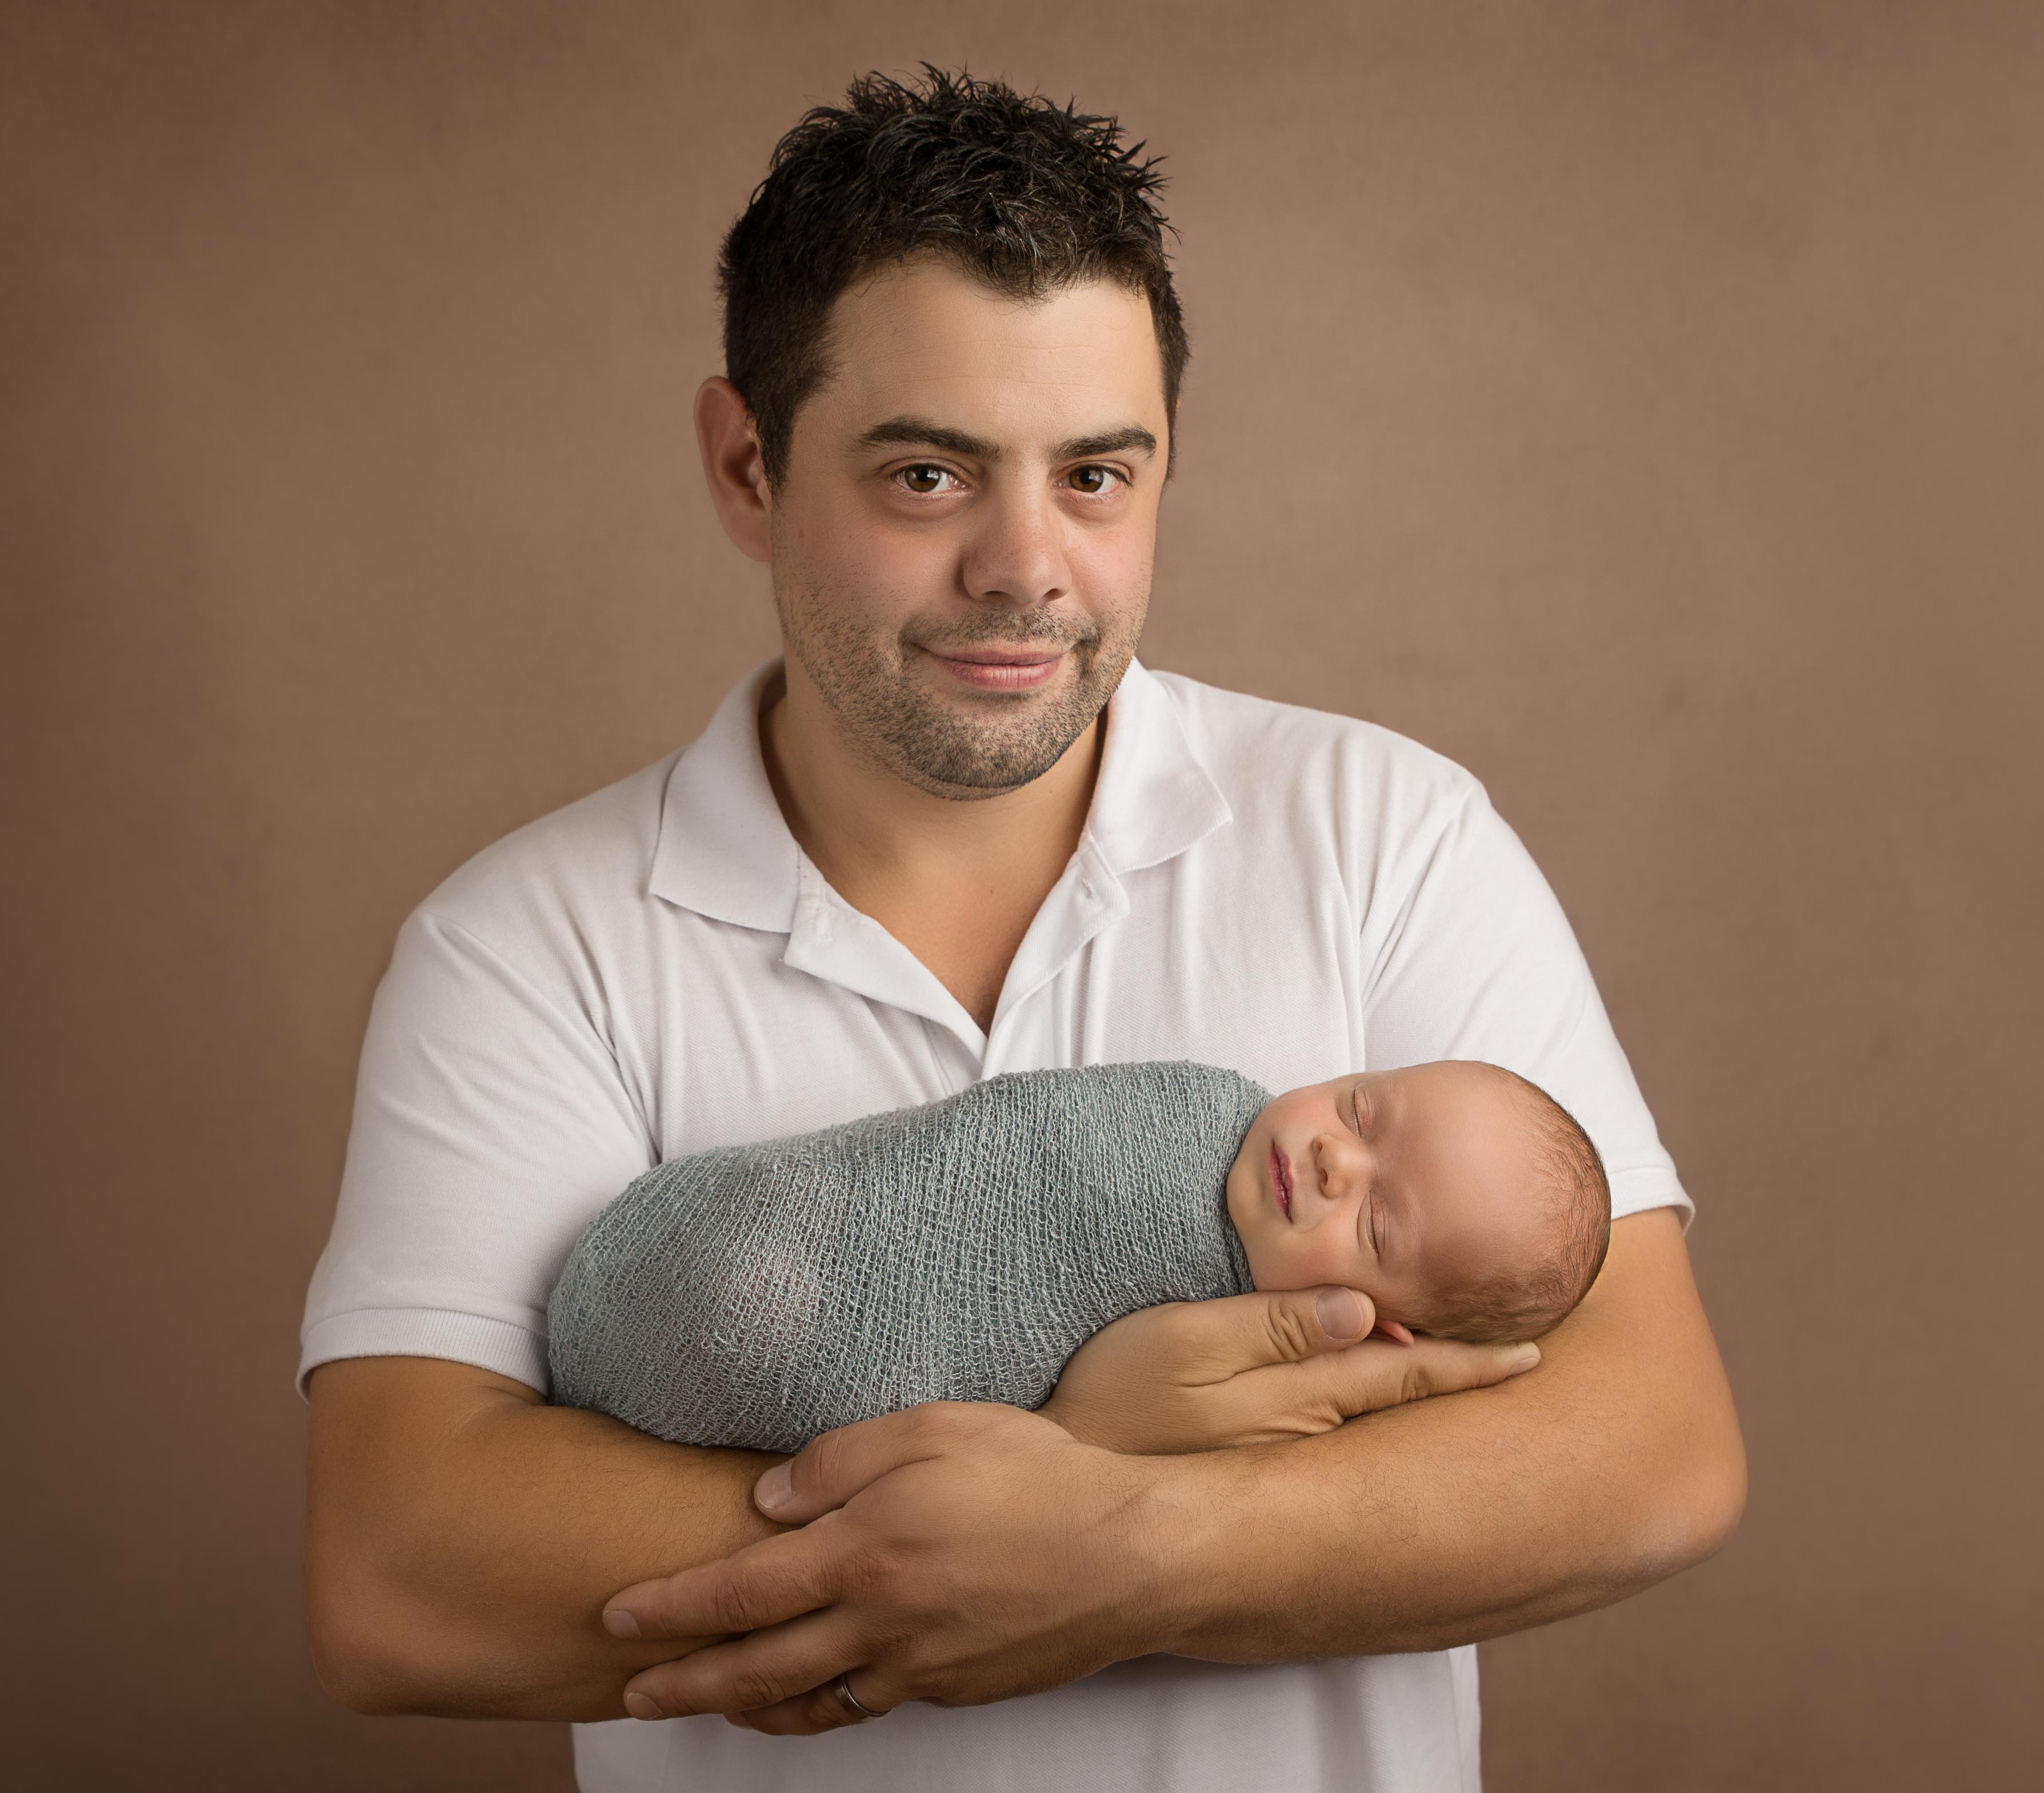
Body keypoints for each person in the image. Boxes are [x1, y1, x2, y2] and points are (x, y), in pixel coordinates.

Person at [300, 67, 1743, 1792]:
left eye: (1097, 476)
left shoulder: (1382, 834)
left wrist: (1125, 1546)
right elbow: (402, 1578)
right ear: (746, 466)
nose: (1026, 565)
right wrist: (1046, 1475)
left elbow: (1648, 1450)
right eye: (927, 475)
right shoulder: (524, 948)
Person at [546, 1057, 1617, 1454]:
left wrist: (1082, 1440)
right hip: (795, 1217)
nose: (1335, 1158)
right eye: (1360, 1107)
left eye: (1377, 1226)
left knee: (760, 1314)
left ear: (1385, 1333)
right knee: (762, 1260)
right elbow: (999, 1141)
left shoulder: (1275, 1393)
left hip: (836, 1343)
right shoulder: (1198, 1101)